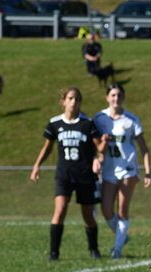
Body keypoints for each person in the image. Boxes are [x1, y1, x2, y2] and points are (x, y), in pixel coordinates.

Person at [31, 87, 107, 261]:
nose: (74, 102)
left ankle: (94, 249)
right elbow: (47, 148)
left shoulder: (87, 123)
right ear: (63, 101)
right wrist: (36, 166)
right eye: (71, 98)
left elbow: (99, 147)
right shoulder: (55, 123)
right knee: (60, 209)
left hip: (85, 175)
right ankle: (54, 253)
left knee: (88, 215)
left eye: (77, 99)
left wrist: (105, 143)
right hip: (64, 175)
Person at [94, 83, 151, 259]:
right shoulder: (99, 118)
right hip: (109, 170)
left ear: (123, 97)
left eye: (119, 95)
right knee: (106, 210)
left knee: (122, 209)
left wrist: (148, 172)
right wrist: (96, 159)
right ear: (107, 98)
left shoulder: (131, 120)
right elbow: (94, 145)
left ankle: (117, 250)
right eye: (112, 95)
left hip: (128, 168)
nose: (115, 98)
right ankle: (122, 237)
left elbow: (144, 148)